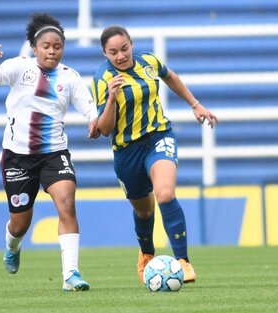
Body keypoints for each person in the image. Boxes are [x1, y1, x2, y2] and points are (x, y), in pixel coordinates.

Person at [91, 25, 218, 285]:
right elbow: (104, 130)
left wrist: (195, 104)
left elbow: (169, 76)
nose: (120, 56)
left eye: (124, 49)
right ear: (105, 53)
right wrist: (112, 99)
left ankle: (183, 261)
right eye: (113, 52)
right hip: (127, 151)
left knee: (165, 194)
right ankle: (147, 254)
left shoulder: (148, 61)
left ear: (132, 44)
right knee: (144, 212)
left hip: (159, 136)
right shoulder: (102, 79)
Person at [0, 13, 99, 291]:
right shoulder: (19, 67)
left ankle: (71, 275)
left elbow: (90, 109)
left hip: (53, 154)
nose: (51, 51)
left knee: (67, 203)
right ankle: (13, 245)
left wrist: (94, 121)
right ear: (35, 48)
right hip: (17, 156)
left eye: (57, 46)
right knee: (20, 224)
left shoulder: (70, 77)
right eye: (46, 46)